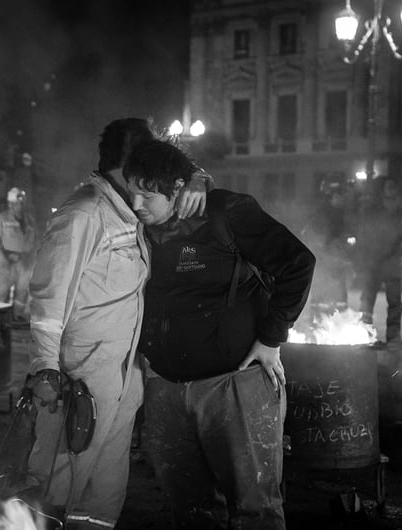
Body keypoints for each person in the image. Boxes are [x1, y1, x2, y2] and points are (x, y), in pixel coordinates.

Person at [24, 118, 210, 529]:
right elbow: (48, 300)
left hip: (122, 377)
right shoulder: (84, 214)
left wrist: (197, 177)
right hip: (77, 378)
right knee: (57, 483)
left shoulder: (131, 210)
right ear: (130, 161)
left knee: (102, 492)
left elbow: (177, 180)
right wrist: (46, 368)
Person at [124, 140, 315, 529]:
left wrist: (271, 338)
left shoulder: (227, 213)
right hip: (166, 389)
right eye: (133, 194)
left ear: (176, 189)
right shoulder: (137, 229)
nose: (137, 204)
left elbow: (298, 263)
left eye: (147, 195)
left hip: (233, 387)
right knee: (190, 511)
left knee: (255, 509)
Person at [355, 177, 402, 350]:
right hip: (373, 262)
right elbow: (364, 234)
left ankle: (394, 338)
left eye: (395, 187)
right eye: (390, 187)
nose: (393, 190)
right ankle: (364, 335)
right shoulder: (372, 210)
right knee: (367, 300)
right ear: (382, 191)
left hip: (392, 263)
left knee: (395, 302)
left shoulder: (400, 211)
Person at [301, 176, 354, 316]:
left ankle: (339, 321)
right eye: (341, 196)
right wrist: (328, 248)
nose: (343, 199)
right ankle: (318, 322)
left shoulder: (341, 213)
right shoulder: (322, 213)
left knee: (339, 296)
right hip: (325, 261)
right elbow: (315, 236)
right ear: (333, 196)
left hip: (337, 261)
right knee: (321, 294)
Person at [0, 187, 36, 319]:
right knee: (1, 292)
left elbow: (34, 242)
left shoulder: (30, 220)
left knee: (22, 292)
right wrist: (4, 260)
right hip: (7, 262)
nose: (20, 205)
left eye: (22, 203)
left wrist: (31, 261)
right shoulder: (2, 219)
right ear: (10, 204)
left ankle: (17, 316)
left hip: (25, 263)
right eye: (17, 203)